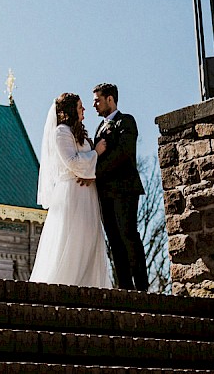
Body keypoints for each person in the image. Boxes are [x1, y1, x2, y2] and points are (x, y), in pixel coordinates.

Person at [30, 92, 111, 287]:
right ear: (69, 111)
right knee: (72, 240)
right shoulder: (61, 132)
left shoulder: (79, 133)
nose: (84, 110)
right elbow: (71, 162)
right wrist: (96, 153)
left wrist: (89, 171)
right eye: (80, 106)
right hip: (72, 194)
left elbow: (81, 165)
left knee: (89, 238)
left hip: (87, 193)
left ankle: (89, 284)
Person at [89, 82, 149, 291]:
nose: (94, 104)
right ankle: (125, 286)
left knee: (128, 235)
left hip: (124, 189)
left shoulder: (127, 121)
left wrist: (96, 171)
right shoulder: (98, 129)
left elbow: (123, 153)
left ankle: (141, 285)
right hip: (105, 193)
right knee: (113, 240)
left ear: (110, 99)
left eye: (97, 100)